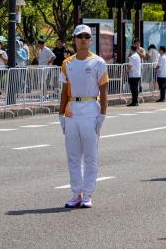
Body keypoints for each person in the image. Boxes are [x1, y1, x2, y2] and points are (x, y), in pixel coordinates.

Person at [58, 25, 108, 208]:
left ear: (91, 40)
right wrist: (60, 115)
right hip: (72, 111)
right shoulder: (67, 63)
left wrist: (102, 114)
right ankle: (76, 193)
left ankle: (87, 193)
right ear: (74, 39)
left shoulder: (98, 63)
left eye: (87, 36)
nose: (83, 39)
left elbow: (103, 92)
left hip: (90, 110)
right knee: (73, 156)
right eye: (80, 36)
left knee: (90, 156)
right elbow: (64, 92)